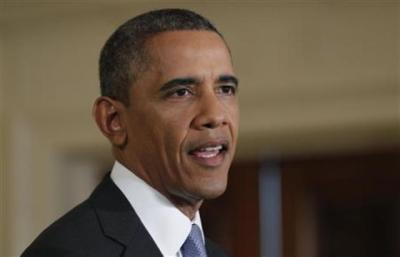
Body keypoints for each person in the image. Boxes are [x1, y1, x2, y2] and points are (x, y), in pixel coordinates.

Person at [22, 8, 239, 257]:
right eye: (181, 92)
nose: (215, 115)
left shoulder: (216, 254)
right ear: (113, 120)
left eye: (225, 89)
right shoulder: (63, 252)